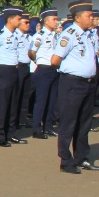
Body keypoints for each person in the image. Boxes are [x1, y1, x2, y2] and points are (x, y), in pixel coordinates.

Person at [52, 0, 99, 174]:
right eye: (89, 16)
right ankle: (66, 161)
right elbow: (55, 60)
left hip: (88, 84)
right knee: (69, 122)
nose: (92, 19)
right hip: (72, 83)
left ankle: (82, 157)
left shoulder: (89, 35)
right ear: (78, 17)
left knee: (84, 123)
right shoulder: (69, 35)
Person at [0, 6, 27, 146]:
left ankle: (10, 133)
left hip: (14, 70)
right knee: (2, 104)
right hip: (3, 70)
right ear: (10, 19)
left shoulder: (17, 35)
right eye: (18, 19)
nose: (20, 21)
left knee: (13, 103)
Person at [29, 8, 60, 138]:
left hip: (54, 69)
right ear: (46, 21)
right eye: (54, 19)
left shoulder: (56, 35)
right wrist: (38, 62)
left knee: (52, 100)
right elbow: (31, 52)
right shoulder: (39, 35)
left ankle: (48, 127)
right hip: (43, 69)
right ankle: (37, 128)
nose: (56, 21)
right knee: (41, 100)